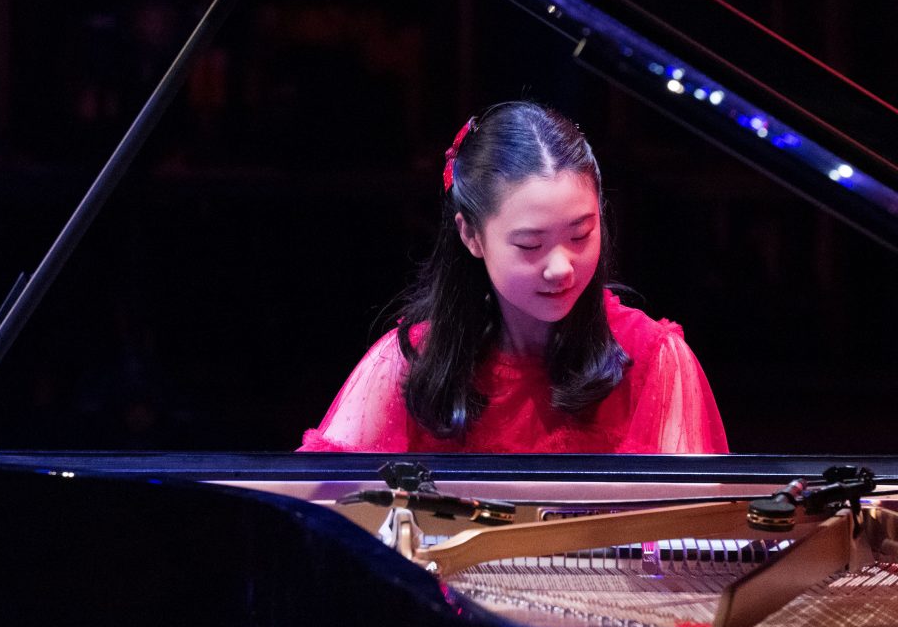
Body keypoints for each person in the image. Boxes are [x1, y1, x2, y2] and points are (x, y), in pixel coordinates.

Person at [299, 101, 728, 453]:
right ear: (471, 235)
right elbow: (329, 522)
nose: (561, 267)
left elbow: (690, 542)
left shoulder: (656, 360)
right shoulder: (409, 364)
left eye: (581, 234)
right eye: (529, 244)